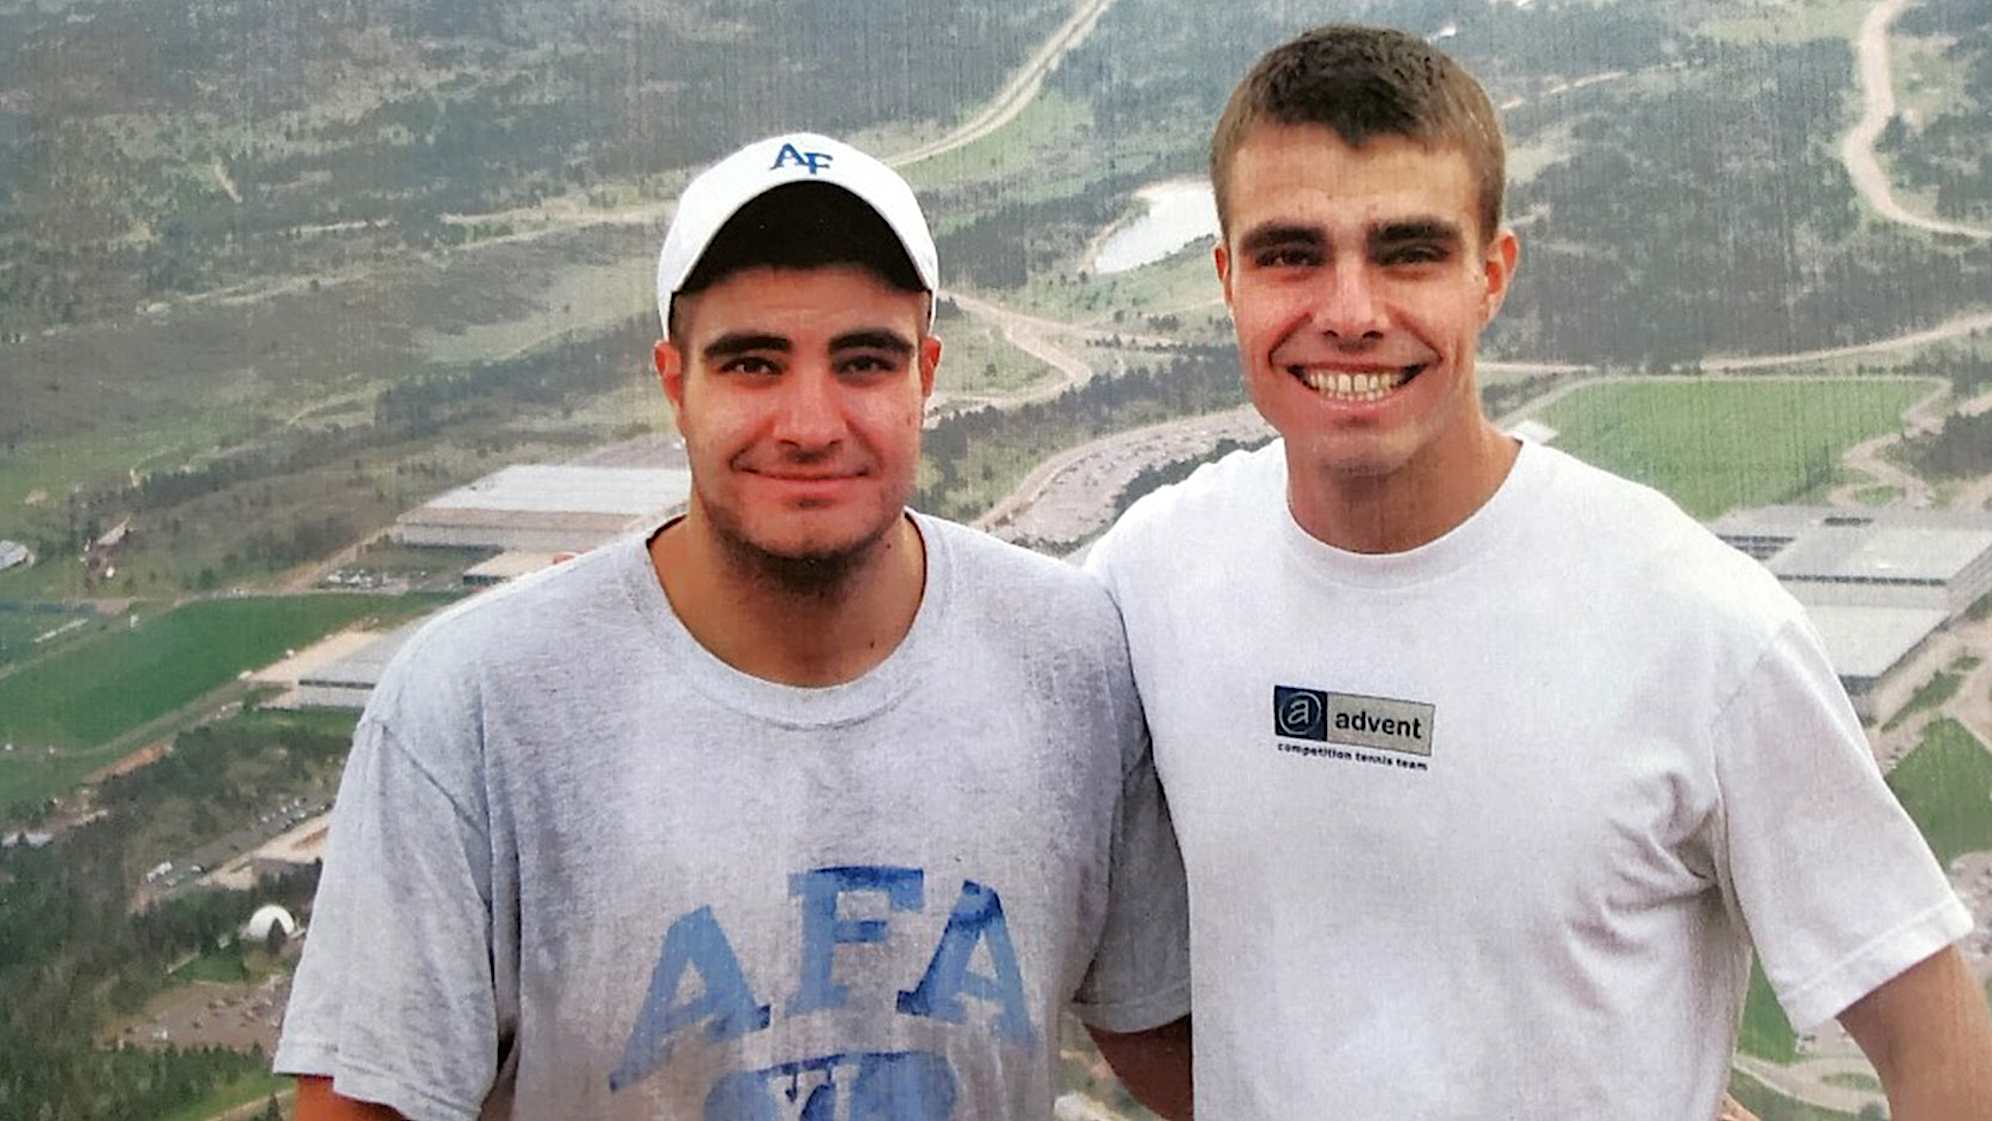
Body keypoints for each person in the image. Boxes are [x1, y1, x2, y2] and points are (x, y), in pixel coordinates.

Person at [1085, 24, 1992, 1120]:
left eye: (1409, 250)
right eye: (1292, 254)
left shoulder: (1696, 624)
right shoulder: (1151, 577)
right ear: (1227, 278)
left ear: (1491, 277)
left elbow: (1936, 1036)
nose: (1353, 310)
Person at [276, 132, 1192, 1121]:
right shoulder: (478, 706)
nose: (808, 422)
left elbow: (1178, 1042)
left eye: (864, 361)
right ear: (674, 382)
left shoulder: (1069, 660)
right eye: (753, 363)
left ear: (927, 373)